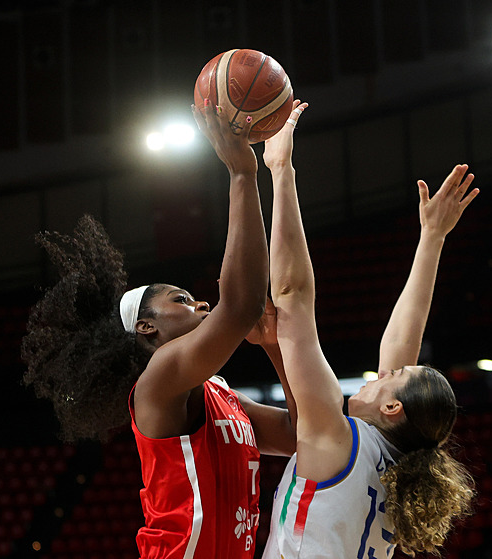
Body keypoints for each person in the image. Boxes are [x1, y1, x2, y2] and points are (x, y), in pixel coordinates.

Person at [21, 100, 301, 558]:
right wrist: (241, 175)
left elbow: (298, 437)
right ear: (147, 327)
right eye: (182, 299)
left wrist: (275, 350)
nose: (200, 302)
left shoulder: (219, 395)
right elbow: (241, 305)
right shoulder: (158, 382)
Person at [260, 106, 478, 558]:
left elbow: (292, 294)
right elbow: (403, 344)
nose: (379, 373)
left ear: (393, 406)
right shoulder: (394, 469)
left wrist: (282, 171)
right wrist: (431, 238)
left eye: (388, 378)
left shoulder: (340, 440)